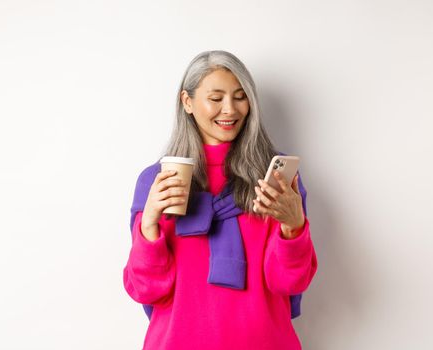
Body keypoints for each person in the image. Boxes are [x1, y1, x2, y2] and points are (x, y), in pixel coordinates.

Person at [123, 50, 318, 350]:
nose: (230, 109)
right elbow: (146, 290)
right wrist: (148, 224)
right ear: (187, 102)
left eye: (240, 96)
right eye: (216, 98)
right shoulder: (158, 180)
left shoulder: (273, 178)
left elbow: (289, 283)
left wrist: (294, 227)